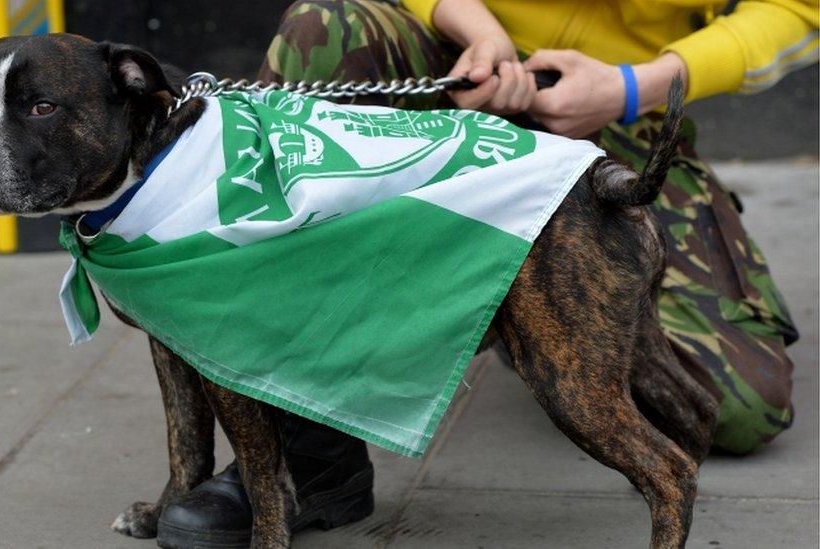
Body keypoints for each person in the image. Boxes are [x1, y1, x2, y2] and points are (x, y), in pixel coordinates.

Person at [158, 0, 817, 539]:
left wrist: (633, 85)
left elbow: (798, 8)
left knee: (743, 406)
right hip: (452, 75)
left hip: (626, 111)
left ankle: (522, 306)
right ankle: (306, 450)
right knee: (324, 30)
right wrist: (479, 30)